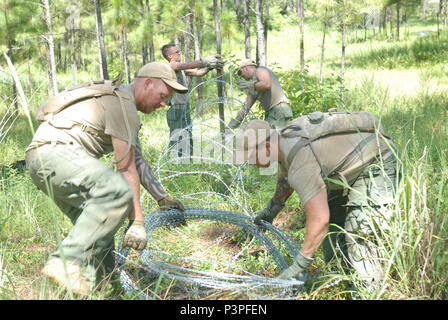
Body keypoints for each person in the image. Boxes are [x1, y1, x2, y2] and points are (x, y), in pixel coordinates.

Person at [25, 62, 188, 296]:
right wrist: (138, 223)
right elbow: (126, 169)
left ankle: (106, 289)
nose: (164, 104)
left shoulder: (122, 106)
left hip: (45, 162)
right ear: (147, 83)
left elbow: (138, 161)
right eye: (163, 96)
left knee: (102, 228)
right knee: (117, 191)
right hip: (55, 155)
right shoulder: (123, 105)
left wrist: (163, 198)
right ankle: (65, 262)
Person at [234, 111, 400, 296]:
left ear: (265, 147)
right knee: (335, 237)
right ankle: (342, 284)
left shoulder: (300, 164)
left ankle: (366, 292)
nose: (250, 162)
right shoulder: (285, 138)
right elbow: (286, 176)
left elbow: (320, 220)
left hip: (378, 162)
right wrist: (271, 210)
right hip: (347, 168)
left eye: (250, 156)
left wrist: (299, 265)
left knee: (360, 235)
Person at [161, 43, 223, 158]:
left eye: (179, 51)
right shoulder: (172, 66)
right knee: (177, 139)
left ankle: (185, 163)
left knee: (187, 138)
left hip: (184, 109)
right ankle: (173, 165)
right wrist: (205, 61)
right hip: (176, 110)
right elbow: (187, 65)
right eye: (177, 52)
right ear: (170, 56)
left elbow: (199, 72)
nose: (180, 53)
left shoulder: (181, 69)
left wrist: (210, 66)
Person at [227, 59, 293, 131]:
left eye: (240, 72)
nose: (241, 76)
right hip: (272, 113)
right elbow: (245, 108)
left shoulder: (260, 70)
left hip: (279, 109)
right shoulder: (254, 85)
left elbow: (266, 85)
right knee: (265, 138)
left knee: (271, 139)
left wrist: (251, 85)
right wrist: (233, 124)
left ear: (245, 68)